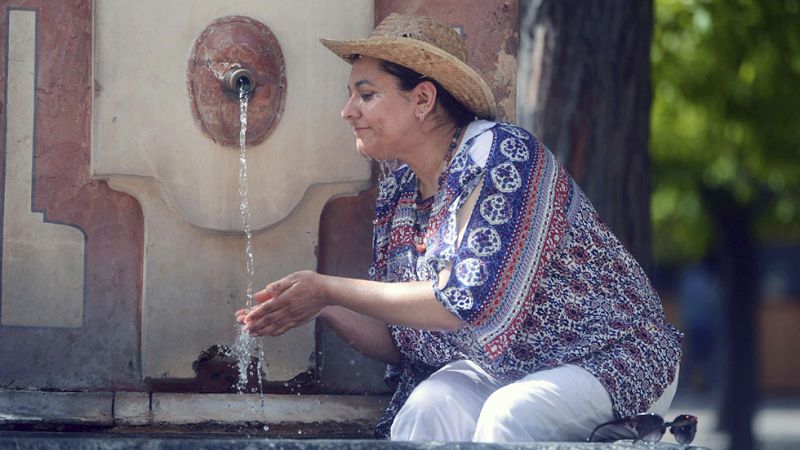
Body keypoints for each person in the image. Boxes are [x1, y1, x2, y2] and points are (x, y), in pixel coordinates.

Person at [236, 13, 682, 442]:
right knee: (428, 408)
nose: (347, 111)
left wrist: (329, 288)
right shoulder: (399, 196)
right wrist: (317, 306)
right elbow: (404, 339)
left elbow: (460, 302)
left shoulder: (502, 156)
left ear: (423, 100)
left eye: (365, 94)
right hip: (504, 366)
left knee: (509, 417)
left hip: (610, 357)